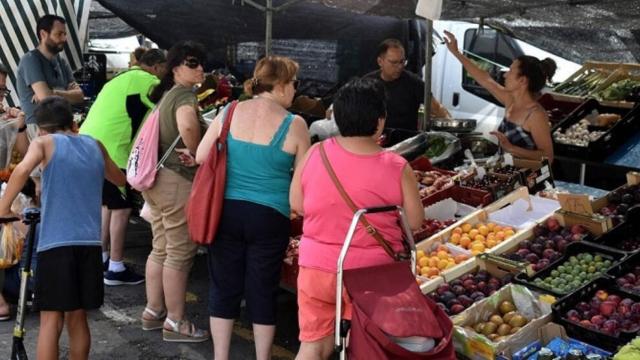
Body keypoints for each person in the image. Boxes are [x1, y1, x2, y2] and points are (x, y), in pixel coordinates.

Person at [290, 77, 424, 359]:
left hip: (317, 268)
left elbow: (296, 204)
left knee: (314, 344)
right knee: (366, 347)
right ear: (379, 120)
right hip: (372, 277)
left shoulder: (316, 153)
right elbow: (414, 222)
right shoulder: (396, 166)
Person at [196, 55, 310, 360]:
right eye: (294, 84)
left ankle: (221, 357)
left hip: (226, 212)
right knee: (262, 289)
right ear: (283, 85)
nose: (296, 91)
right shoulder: (295, 124)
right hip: (270, 217)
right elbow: (302, 187)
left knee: (224, 286)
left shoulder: (229, 112)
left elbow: (200, 155)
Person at [0, 96, 125, 360]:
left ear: (42, 128)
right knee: (78, 318)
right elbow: (119, 178)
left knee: (50, 320)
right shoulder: (95, 145)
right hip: (90, 245)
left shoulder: (43, 142)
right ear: (72, 122)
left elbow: (21, 170)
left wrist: (3, 209)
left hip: (56, 244)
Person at [79, 49, 167, 286]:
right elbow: (164, 114)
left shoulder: (119, 79)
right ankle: (116, 268)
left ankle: (103, 257)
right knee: (122, 208)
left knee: (108, 203)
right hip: (113, 151)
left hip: (88, 145)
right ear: (158, 67)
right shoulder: (149, 81)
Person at [140, 41, 209, 343]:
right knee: (179, 254)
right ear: (177, 66)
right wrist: (197, 152)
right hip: (176, 180)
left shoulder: (166, 95)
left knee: (162, 248)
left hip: (155, 181)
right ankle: (176, 321)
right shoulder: (183, 96)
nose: (200, 69)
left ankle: (153, 311)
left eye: (201, 64)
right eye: (193, 63)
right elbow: (188, 127)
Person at [444, 30, 556, 163]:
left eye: (511, 71)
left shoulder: (536, 115)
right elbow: (485, 79)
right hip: (506, 173)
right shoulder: (510, 100)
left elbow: (548, 157)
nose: (505, 75)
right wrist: (456, 53)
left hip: (527, 179)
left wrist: (512, 148)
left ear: (522, 81)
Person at [16, 15, 84, 136]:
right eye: (59, 34)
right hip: (40, 128)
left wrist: (55, 92)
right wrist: (62, 93)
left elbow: (79, 96)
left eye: (65, 34)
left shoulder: (62, 62)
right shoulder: (30, 60)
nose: (64, 38)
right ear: (43, 34)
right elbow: (45, 97)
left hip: (62, 127)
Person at [364, 38, 451, 131]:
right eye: (394, 62)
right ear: (380, 62)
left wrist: (452, 125)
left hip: (407, 141)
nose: (399, 66)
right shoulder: (367, 83)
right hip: (375, 140)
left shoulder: (414, 83)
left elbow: (437, 108)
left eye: (402, 62)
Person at [0, 62, 28, 322]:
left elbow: (25, 153)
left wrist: (18, 125)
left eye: (2, 91)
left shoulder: (5, 117)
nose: (1, 97)